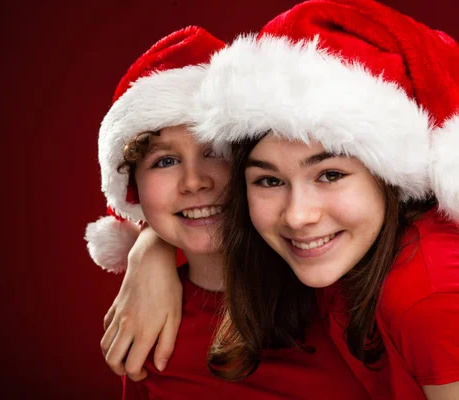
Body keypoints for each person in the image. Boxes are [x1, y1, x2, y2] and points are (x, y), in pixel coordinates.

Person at [184, 0, 459, 398]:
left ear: (390, 179)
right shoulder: (351, 254)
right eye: (268, 181)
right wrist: (150, 255)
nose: (298, 215)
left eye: (330, 174)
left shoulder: (431, 293)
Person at [85, 26, 370, 399]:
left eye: (216, 152)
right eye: (165, 161)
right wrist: (149, 246)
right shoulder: (146, 328)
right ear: (133, 187)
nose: (194, 181)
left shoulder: (336, 279)